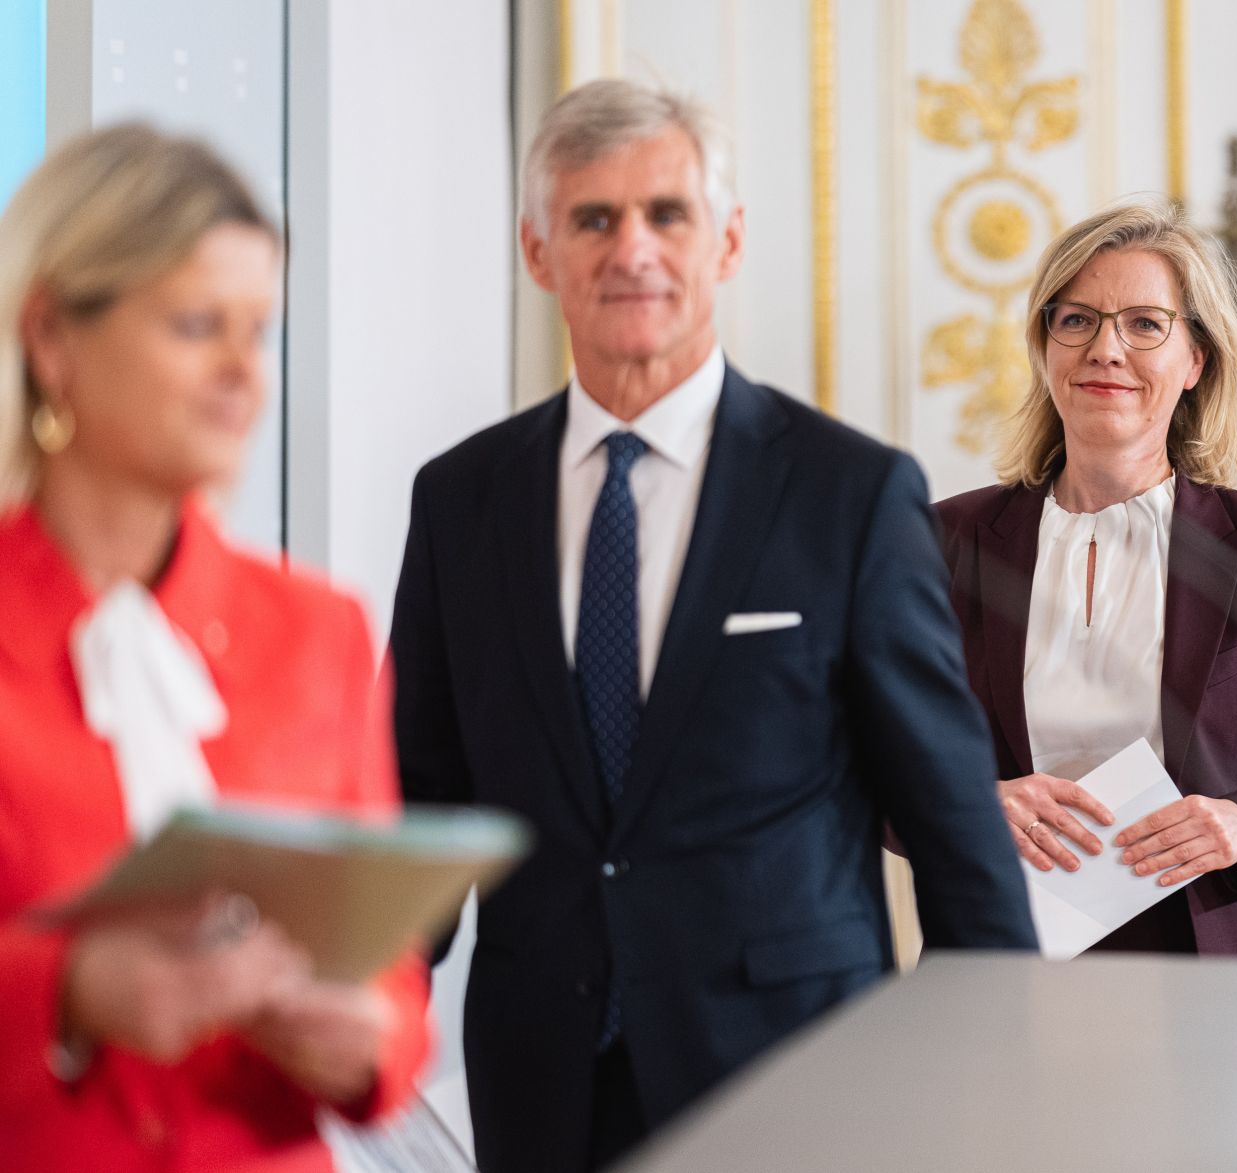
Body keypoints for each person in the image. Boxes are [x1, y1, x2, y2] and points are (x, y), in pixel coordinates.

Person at [388, 78, 1035, 1172]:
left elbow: (953, 824)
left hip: (796, 1076)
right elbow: (422, 803)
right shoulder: (461, 502)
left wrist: (975, 1087)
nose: (631, 249)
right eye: (592, 219)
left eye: (666, 215)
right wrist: (348, 1006)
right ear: (538, 252)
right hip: (540, 1083)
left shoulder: (850, 494)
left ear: (726, 242)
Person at [0, 125, 430, 1170]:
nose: (245, 373)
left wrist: (368, 1037)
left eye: (261, 331)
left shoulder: (319, 630)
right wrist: (68, 990)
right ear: (52, 339)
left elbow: (390, 974)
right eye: (198, 326)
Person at [937, 199, 1237, 957]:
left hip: (1210, 970)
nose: (1107, 349)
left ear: (1195, 360)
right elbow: (859, 763)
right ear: (1045, 348)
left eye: (1145, 324)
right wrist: (961, 805)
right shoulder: (946, 539)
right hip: (1002, 959)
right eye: (1076, 321)